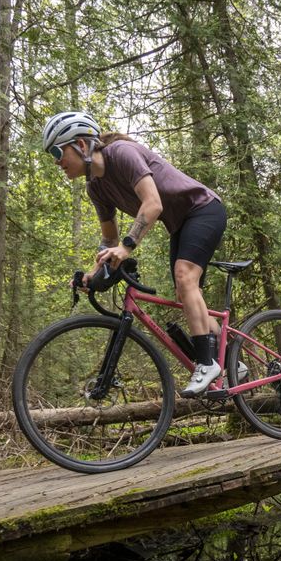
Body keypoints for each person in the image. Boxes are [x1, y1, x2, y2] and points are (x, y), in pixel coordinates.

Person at [42, 111, 229, 396]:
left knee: (184, 277)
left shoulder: (122, 153)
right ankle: (232, 361)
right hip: (179, 224)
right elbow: (109, 239)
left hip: (203, 209)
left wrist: (127, 246)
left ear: (81, 145)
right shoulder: (96, 188)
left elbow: (152, 204)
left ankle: (207, 363)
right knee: (186, 293)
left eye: (57, 151)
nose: (56, 161)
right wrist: (93, 273)